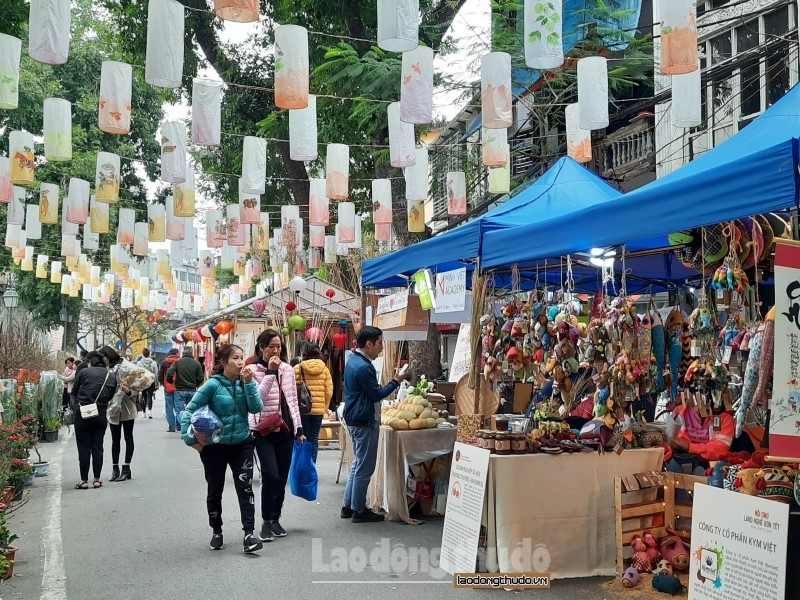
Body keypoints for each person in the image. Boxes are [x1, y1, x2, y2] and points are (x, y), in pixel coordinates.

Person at [180, 344, 265, 554]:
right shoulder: (212, 385)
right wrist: (192, 441)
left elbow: (256, 408)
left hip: (242, 443)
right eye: (235, 358)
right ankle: (216, 530)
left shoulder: (246, 382)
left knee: (245, 488)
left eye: (241, 358)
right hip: (214, 447)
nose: (240, 362)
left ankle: (249, 534)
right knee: (215, 489)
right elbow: (189, 410)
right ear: (223, 362)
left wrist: (249, 385)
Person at [342, 326, 405, 523]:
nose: (381, 348)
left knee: (358, 464)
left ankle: (349, 505)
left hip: (355, 418)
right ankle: (359, 510)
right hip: (363, 420)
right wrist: (395, 381)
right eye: (379, 343)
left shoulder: (354, 360)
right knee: (365, 467)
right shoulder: (364, 367)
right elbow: (376, 394)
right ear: (368, 344)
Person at [247, 329, 305, 542]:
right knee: (269, 474)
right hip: (262, 430)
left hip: (286, 429)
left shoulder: (288, 369)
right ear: (261, 348)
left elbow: (292, 401)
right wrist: (270, 373)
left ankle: (275, 518)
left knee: (281, 477)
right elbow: (257, 400)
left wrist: (299, 428)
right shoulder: (251, 370)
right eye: (271, 346)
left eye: (278, 346)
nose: (275, 350)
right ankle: (265, 520)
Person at [71, 351, 118, 489]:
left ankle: (84, 481)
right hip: (101, 414)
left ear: (90, 362)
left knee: (84, 447)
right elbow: (110, 395)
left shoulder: (84, 372)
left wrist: (77, 406)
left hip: (83, 413)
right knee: (98, 446)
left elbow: (74, 391)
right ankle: (97, 480)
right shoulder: (111, 375)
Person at [98, 346, 138, 483]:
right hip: (113, 408)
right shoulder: (106, 369)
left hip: (127, 407)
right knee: (115, 439)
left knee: (128, 437)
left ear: (108, 356)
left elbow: (137, 388)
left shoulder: (126, 367)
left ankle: (126, 468)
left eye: (103, 357)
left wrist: (127, 391)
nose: (102, 360)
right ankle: (115, 469)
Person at [294, 343, 333, 464]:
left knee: (301, 437)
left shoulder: (297, 368)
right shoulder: (325, 370)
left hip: (302, 410)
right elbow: (328, 391)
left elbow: (291, 390)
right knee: (314, 438)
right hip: (318, 411)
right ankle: (311, 466)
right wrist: (324, 407)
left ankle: (301, 465)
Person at [167, 347, 205, 429]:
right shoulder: (197, 363)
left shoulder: (177, 362)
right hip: (192, 390)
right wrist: (196, 384)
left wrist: (170, 381)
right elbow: (201, 377)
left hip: (180, 390)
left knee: (180, 412)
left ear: (182, 354)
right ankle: (189, 428)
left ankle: (184, 427)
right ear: (191, 354)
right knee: (191, 411)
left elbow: (170, 372)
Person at [159, 348, 180, 432]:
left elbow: (160, 376)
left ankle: (171, 427)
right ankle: (179, 426)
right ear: (176, 353)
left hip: (168, 387)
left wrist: (164, 384)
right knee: (178, 407)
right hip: (178, 387)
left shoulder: (164, 363)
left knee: (169, 407)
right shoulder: (180, 362)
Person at [136, 348, 159, 419]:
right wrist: (156, 382)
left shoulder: (139, 363)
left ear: (142, 354)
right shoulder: (153, 362)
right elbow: (156, 373)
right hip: (151, 381)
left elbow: (137, 373)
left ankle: (143, 412)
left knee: (143, 397)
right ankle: (149, 411)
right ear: (149, 354)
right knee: (150, 396)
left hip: (143, 382)